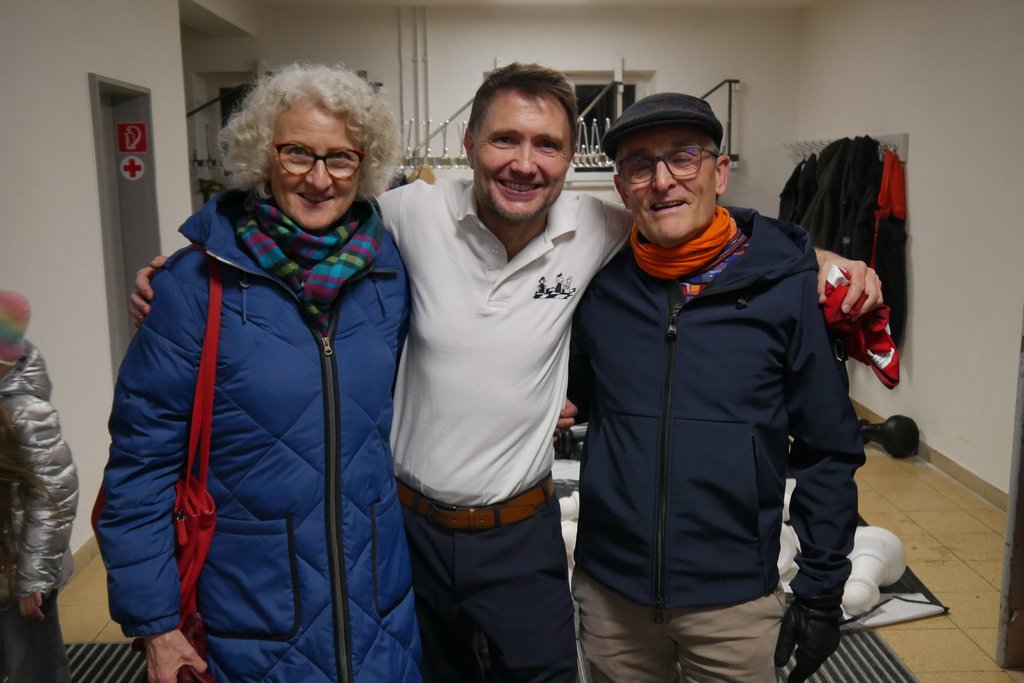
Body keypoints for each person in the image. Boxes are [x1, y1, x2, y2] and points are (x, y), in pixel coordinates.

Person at [129, 64, 881, 682]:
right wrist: (193, 267)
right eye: (505, 139)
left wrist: (818, 258)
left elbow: (708, 224)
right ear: (469, 144)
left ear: (572, 160)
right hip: (406, 534)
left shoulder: (600, 226)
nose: (525, 162)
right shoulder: (405, 217)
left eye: (547, 144)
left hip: (522, 532)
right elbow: (304, 226)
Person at [95, 63, 421, 683]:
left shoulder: (391, 273)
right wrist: (155, 625)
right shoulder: (194, 287)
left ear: (364, 165)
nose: (319, 178)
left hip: (380, 615)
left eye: (341, 158)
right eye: (297, 153)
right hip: (249, 624)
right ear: (262, 157)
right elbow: (140, 467)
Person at [566, 92, 866, 683]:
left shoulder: (787, 289)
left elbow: (827, 448)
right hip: (612, 596)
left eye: (684, 157)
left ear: (719, 172)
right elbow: (570, 397)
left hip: (734, 602)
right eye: (639, 165)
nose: (663, 181)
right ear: (622, 187)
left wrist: (822, 587)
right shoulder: (597, 286)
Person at [0, 289, 79, 683]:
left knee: (33, 667)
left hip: (21, 574)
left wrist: (33, 578)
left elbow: (54, 496)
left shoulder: (25, 412)